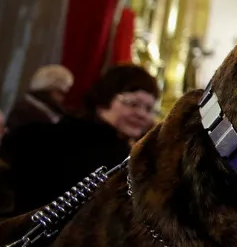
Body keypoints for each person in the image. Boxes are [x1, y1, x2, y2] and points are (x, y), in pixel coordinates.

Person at [0, 64, 158, 216]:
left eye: (149, 109)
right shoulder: (65, 139)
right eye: (133, 104)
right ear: (104, 100)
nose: (142, 114)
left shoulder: (126, 151)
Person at [5, 65, 73, 132]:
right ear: (49, 89)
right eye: (60, 92)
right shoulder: (26, 111)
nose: (62, 98)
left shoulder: (43, 110)